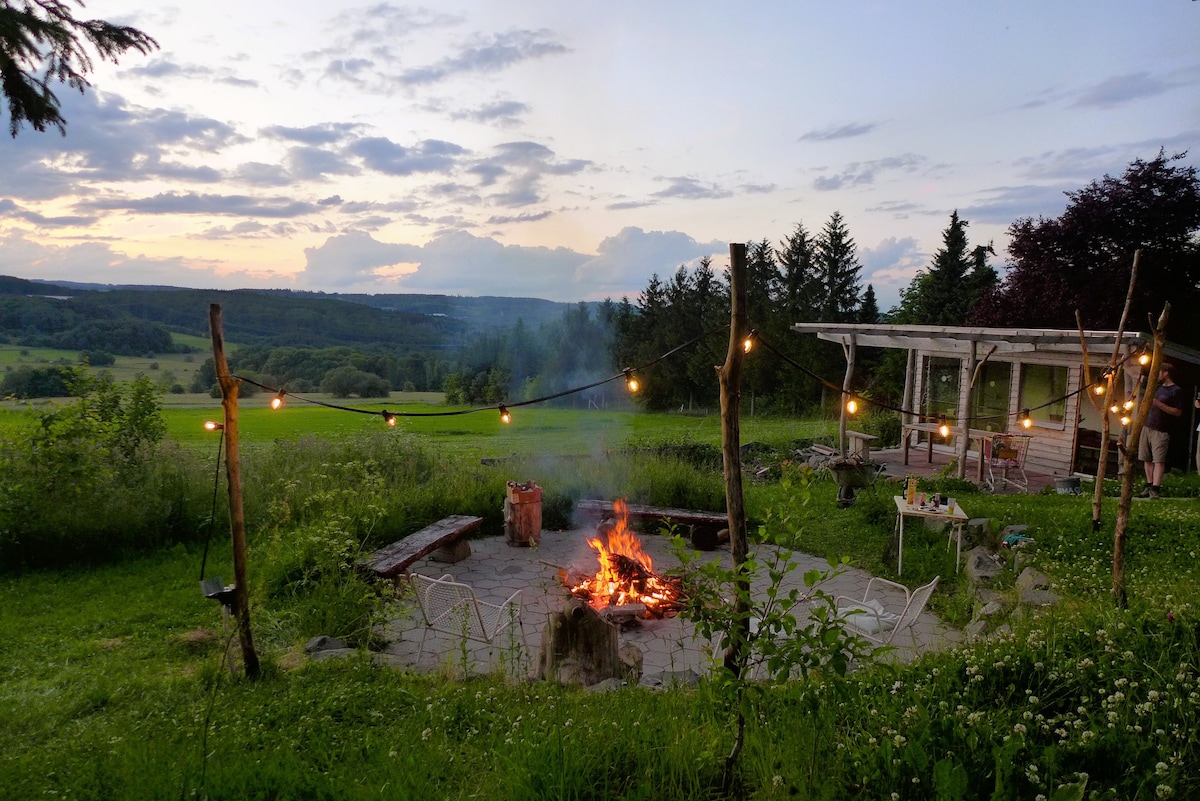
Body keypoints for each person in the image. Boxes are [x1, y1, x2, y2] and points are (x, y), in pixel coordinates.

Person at [1137, 362, 1186, 498]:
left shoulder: (1176, 391)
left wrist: (1159, 404)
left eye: (1159, 372)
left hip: (1162, 429)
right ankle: (1149, 484)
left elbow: (1177, 412)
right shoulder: (1157, 387)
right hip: (1148, 426)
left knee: (1158, 460)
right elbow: (1139, 376)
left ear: (1166, 373)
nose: (1157, 375)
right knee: (1146, 457)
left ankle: (1156, 488)